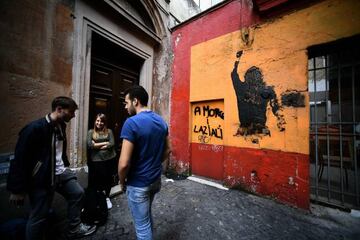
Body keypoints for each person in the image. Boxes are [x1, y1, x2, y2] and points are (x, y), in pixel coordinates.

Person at [7, 96, 96, 239]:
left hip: (61, 173)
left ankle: (74, 228)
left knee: (77, 193)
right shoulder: (34, 128)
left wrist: (65, 166)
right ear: (59, 109)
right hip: (42, 178)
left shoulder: (61, 126)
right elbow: (20, 159)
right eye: (71, 112)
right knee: (39, 216)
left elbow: (58, 150)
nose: (73, 115)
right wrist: (17, 189)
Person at [118, 86, 170, 240]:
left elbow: (124, 163)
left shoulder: (131, 122)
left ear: (136, 101)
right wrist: (155, 163)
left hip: (138, 184)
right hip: (155, 180)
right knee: (146, 217)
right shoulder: (161, 121)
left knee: (142, 228)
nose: (126, 106)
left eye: (127, 103)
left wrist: (121, 182)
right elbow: (168, 150)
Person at [87, 113, 117, 209]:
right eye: (98, 120)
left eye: (101, 121)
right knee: (98, 180)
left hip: (109, 159)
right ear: (95, 121)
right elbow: (90, 145)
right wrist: (105, 143)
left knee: (108, 179)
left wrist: (96, 145)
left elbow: (112, 143)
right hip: (96, 160)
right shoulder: (91, 132)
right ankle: (98, 199)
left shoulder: (109, 131)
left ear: (104, 122)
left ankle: (107, 197)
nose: (99, 123)